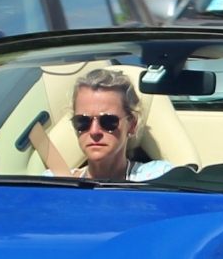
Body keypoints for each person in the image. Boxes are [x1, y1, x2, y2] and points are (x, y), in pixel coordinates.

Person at [27, 67, 173, 182]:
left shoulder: (159, 177)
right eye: (83, 122)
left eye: (108, 121)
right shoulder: (52, 183)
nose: (94, 131)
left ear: (132, 125)